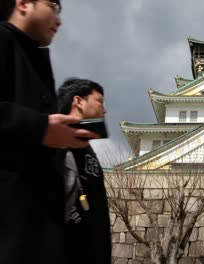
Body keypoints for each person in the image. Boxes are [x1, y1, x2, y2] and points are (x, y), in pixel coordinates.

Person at [0, 1, 97, 263]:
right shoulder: (4, 41)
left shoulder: (35, 61)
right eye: (53, 7)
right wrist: (40, 128)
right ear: (23, 4)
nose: (59, 20)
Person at [57, 78, 111, 264]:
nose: (104, 110)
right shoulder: (54, 139)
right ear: (78, 101)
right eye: (100, 101)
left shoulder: (88, 149)